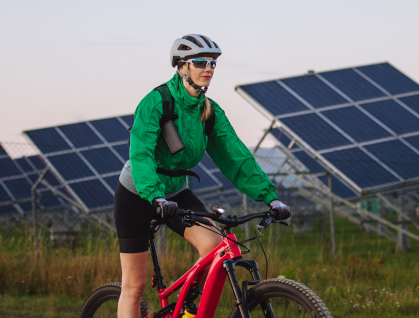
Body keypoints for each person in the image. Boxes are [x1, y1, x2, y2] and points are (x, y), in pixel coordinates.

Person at [113, 34, 291, 318]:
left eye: (212, 63)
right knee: (133, 287)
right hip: (138, 193)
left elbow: (236, 156)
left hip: (174, 192)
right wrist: (154, 195)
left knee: (214, 247)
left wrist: (271, 198)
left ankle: (185, 310)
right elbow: (142, 155)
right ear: (182, 67)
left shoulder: (209, 111)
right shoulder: (156, 103)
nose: (208, 68)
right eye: (200, 62)